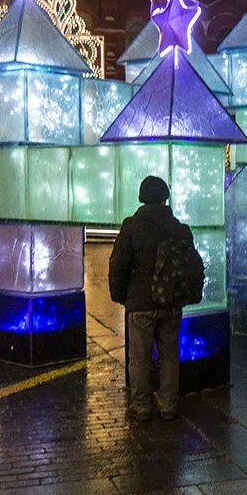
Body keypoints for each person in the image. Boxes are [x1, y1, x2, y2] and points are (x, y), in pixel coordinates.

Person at [109, 176, 198, 423]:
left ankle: (142, 407)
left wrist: (120, 296)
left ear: (141, 197)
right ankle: (169, 405)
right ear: (165, 197)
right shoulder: (179, 227)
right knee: (170, 355)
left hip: (141, 305)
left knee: (140, 358)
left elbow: (119, 265)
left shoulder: (132, 226)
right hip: (171, 303)